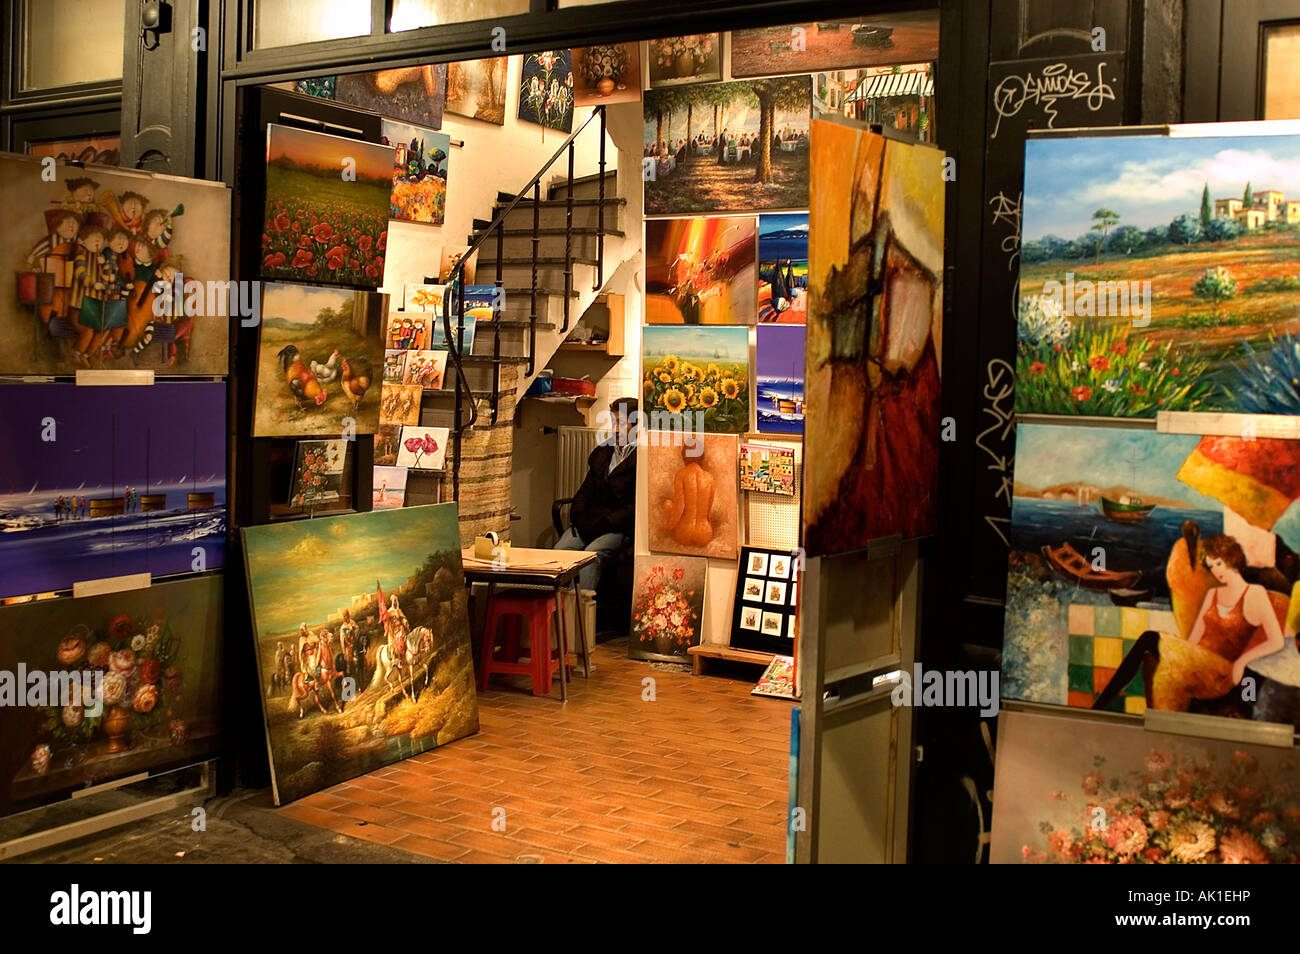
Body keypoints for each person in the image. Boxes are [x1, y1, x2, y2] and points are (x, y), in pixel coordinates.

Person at [1092, 534, 1286, 712]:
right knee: (1150, 642)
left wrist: (1243, 661)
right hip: (1197, 661)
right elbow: (1196, 634)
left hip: (1220, 671)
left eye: (1219, 563)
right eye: (1212, 566)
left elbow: (1276, 641)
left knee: (1150, 639)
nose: (1216, 571)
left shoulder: (1254, 593)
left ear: (1232, 559)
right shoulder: (1213, 593)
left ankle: (1100, 707)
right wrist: (1182, 656)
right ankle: (1101, 706)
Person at [556, 397, 638, 591]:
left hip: (618, 528)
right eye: (613, 422)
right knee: (560, 551)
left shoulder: (642, 455)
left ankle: (580, 615)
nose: (616, 429)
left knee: (592, 555)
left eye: (621, 423)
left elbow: (634, 506)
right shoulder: (603, 451)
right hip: (590, 522)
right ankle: (554, 610)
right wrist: (579, 517)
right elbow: (585, 490)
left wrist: (605, 523)